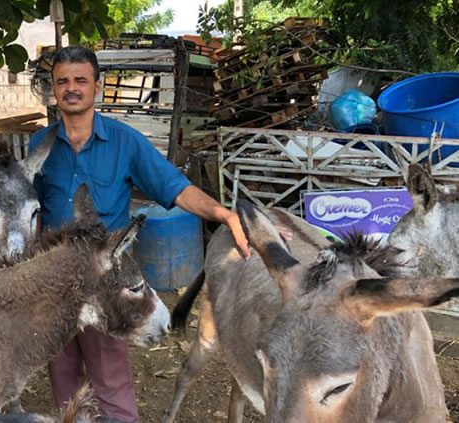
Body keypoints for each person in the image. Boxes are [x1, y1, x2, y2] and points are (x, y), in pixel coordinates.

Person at [27, 46, 286, 423]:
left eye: (80, 80)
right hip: (53, 282)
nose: (71, 89)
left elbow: (174, 188)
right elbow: (27, 207)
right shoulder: (40, 145)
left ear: (96, 86)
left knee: (110, 380)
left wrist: (225, 214)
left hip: (105, 282)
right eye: (62, 81)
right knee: (63, 378)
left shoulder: (124, 142)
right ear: (53, 89)